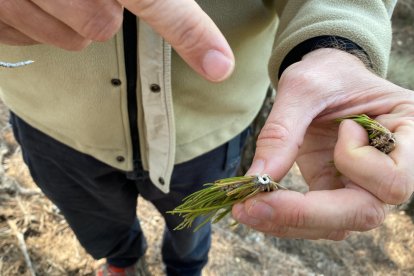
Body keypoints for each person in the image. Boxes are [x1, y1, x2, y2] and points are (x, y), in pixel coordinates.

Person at [1, 0, 413, 275]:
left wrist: (336, 44)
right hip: (53, 127)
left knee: (191, 230)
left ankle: (186, 269)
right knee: (97, 220)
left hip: (211, 135)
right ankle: (123, 260)